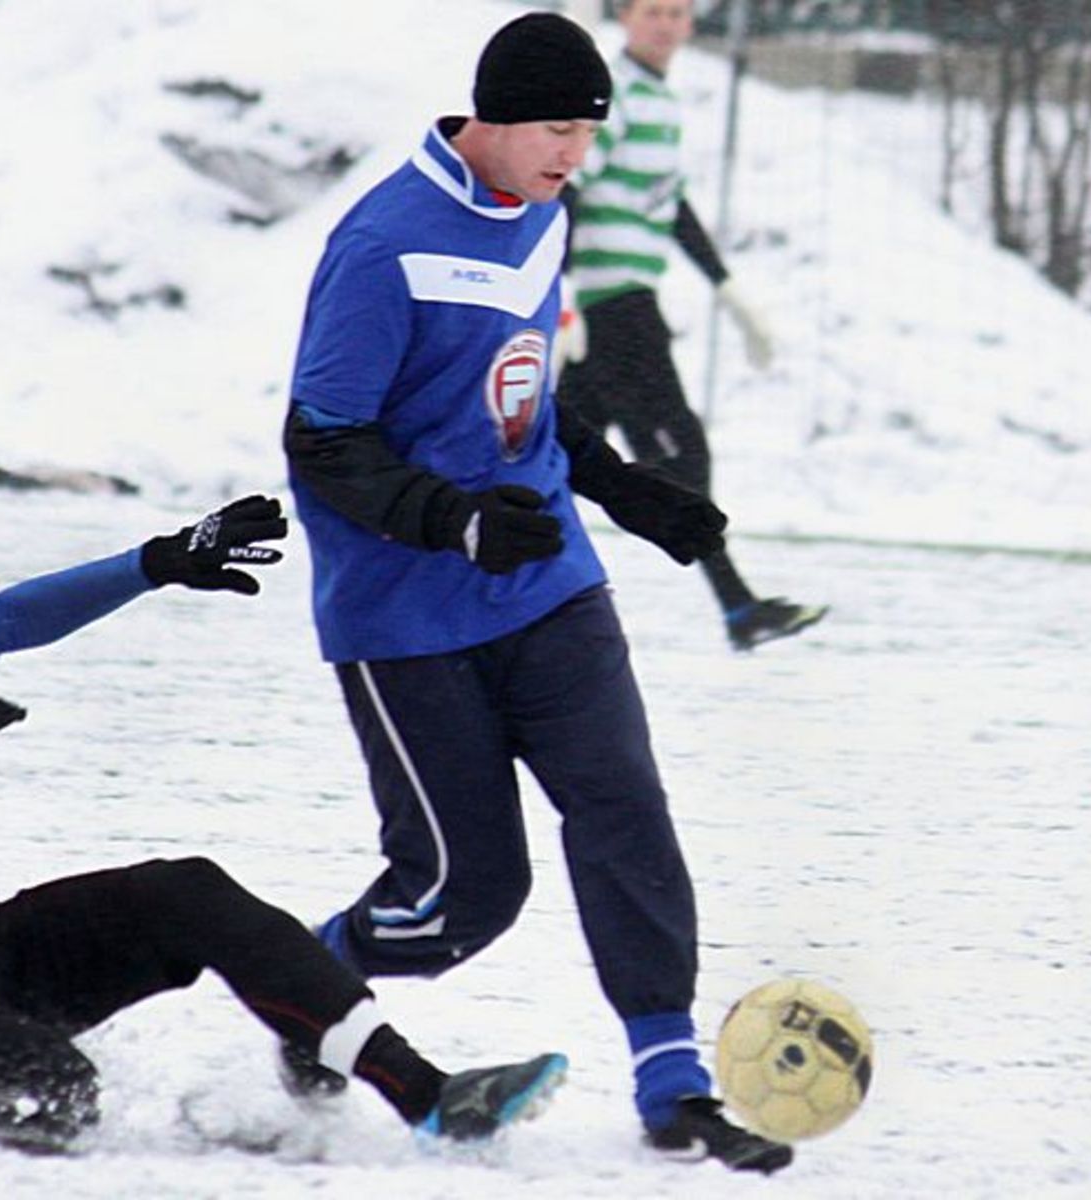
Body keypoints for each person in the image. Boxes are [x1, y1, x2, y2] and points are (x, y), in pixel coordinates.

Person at [0, 423, 567, 1152]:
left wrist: (155, 561)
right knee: (54, 1087)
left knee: (185, 892)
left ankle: (427, 1098)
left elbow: (1, 616)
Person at [280, 11, 791, 1175]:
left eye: (589, 133)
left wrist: (622, 488)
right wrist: (450, 518)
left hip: (547, 581)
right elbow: (321, 438)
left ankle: (672, 1079)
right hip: (403, 611)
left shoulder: (543, 217)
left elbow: (520, 398)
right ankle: (303, 979)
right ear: (494, 117)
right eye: (559, 128)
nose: (576, 154)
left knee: (624, 808)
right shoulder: (384, 245)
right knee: (466, 897)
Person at [558, 0, 825, 652]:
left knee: (555, 452)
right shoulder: (616, 92)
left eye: (677, 13)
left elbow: (669, 205)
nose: (665, 24)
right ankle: (732, 603)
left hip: (621, 301)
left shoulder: (660, 99)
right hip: (610, 304)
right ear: (625, 16)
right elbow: (567, 185)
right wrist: (559, 292)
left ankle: (733, 605)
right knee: (679, 452)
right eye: (653, 11)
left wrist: (728, 289)